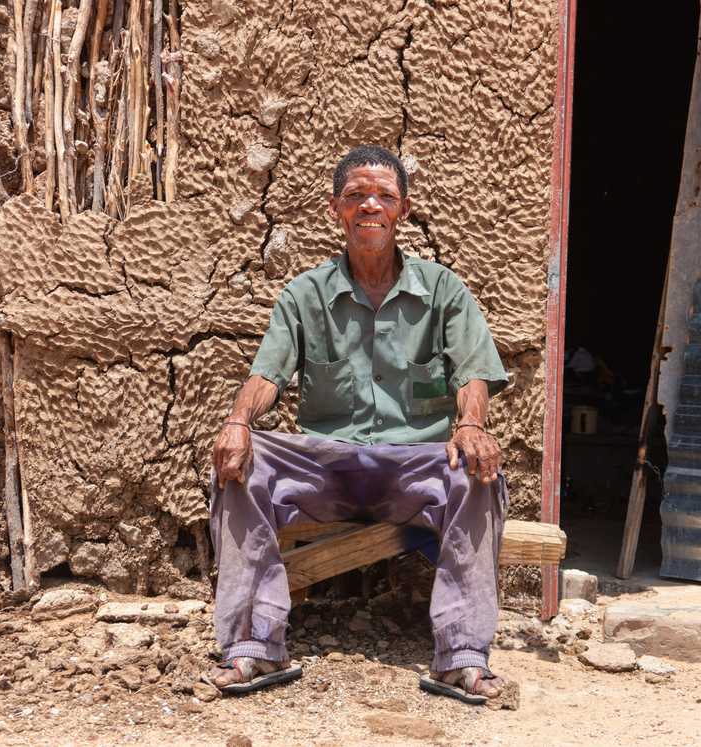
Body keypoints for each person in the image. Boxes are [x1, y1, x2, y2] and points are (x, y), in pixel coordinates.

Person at [203, 144, 510, 705]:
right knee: (243, 465)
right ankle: (255, 646)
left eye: (385, 196)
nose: (371, 205)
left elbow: (473, 373)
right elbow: (267, 374)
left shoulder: (443, 291)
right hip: (327, 467)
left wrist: (470, 423)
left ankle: (461, 659)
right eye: (356, 196)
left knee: (474, 471)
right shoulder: (305, 295)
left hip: (413, 467)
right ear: (335, 209)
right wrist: (239, 421)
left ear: (404, 211)